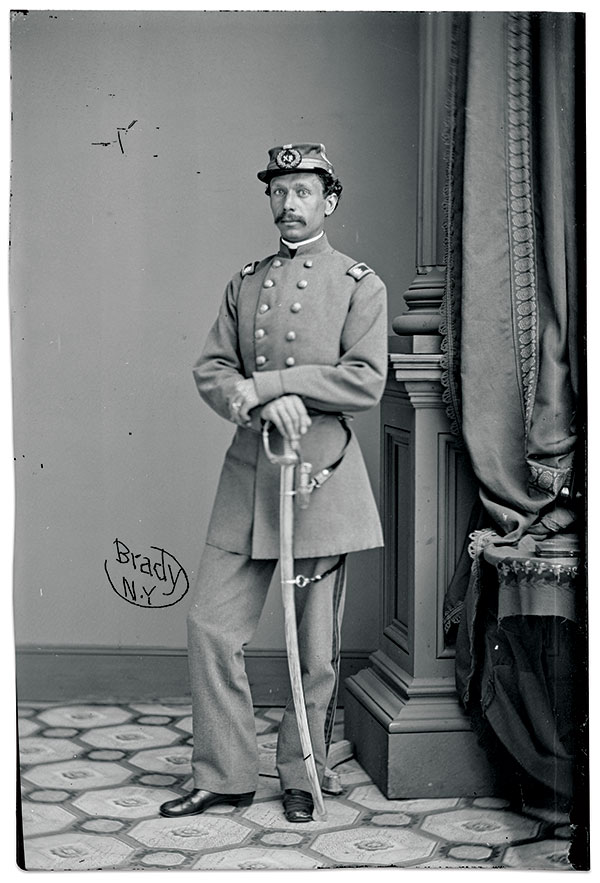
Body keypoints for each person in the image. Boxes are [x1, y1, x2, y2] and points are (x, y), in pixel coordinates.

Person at [159, 143, 388, 823]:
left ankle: (301, 771)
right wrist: (254, 399)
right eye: (278, 191)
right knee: (210, 626)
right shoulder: (246, 281)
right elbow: (212, 370)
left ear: (330, 200)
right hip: (248, 475)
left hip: (319, 477)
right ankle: (225, 774)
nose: (288, 204)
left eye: (302, 191)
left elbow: (365, 380)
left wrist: (279, 385)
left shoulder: (358, 283)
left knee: (314, 647)